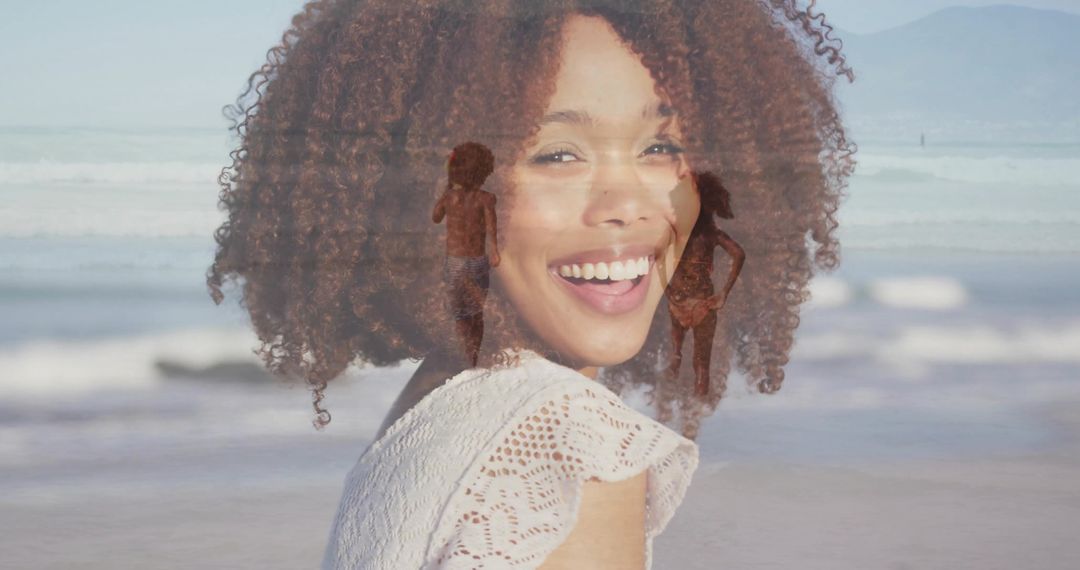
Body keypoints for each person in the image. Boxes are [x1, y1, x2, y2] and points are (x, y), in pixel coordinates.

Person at [206, 0, 855, 567]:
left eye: (660, 148)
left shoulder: (441, 406)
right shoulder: (571, 446)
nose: (627, 204)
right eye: (559, 154)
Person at [665, 172, 745, 398]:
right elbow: (738, 254)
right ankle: (694, 411)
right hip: (703, 302)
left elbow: (656, 258)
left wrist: (667, 291)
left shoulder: (675, 232)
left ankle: (671, 408)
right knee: (701, 365)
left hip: (679, 299)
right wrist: (723, 294)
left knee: (677, 355)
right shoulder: (711, 234)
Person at [432, 142, 500, 367]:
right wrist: (495, 251)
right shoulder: (485, 198)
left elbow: (435, 217)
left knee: (459, 312)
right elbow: (491, 227)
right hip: (477, 259)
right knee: (476, 312)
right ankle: (473, 357)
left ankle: (465, 356)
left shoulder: (449, 197)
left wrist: (447, 189)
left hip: (455, 260)